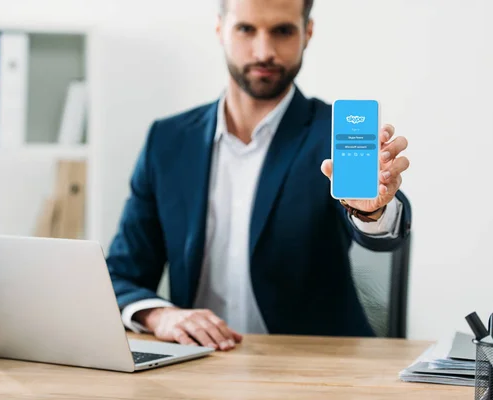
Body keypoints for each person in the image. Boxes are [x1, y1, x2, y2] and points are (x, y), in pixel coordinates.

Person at [105, 0, 411, 352]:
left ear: (307, 33)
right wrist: (160, 316)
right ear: (220, 29)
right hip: (198, 367)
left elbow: (384, 234)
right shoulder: (169, 141)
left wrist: (372, 210)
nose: (264, 51)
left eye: (282, 31)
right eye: (246, 29)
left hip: (316, 371)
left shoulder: (333, 135)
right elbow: (121, 274)